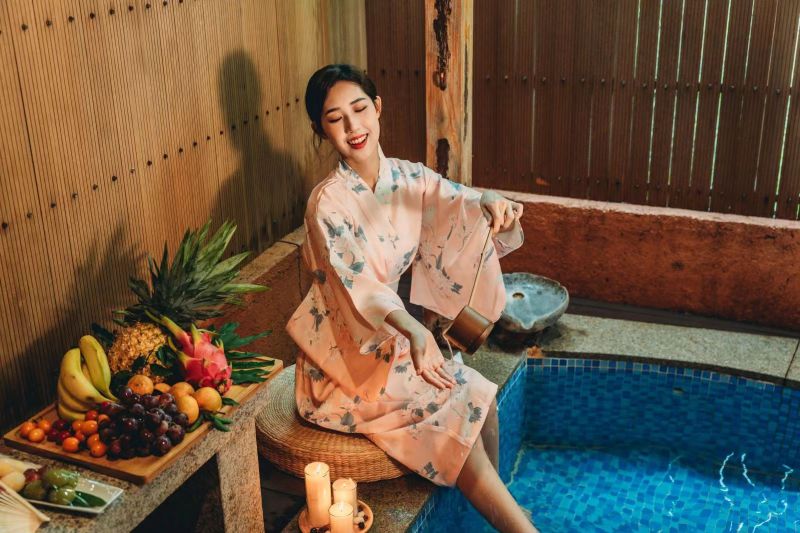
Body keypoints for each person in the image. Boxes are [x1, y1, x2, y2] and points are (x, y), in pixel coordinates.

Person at [286, 64, 537, 533]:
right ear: (321, 129)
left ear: (378, 108)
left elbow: (459, 201)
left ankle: (497, 508)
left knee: (482, 398)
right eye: (336, 118)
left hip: (395, 342)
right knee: (455, 415)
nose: (353, 126)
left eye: (360, 109)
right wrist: (416, 331)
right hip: (344, 361)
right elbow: (359, 288)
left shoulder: (407, 177)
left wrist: (489, 201)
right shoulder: (327, 204)